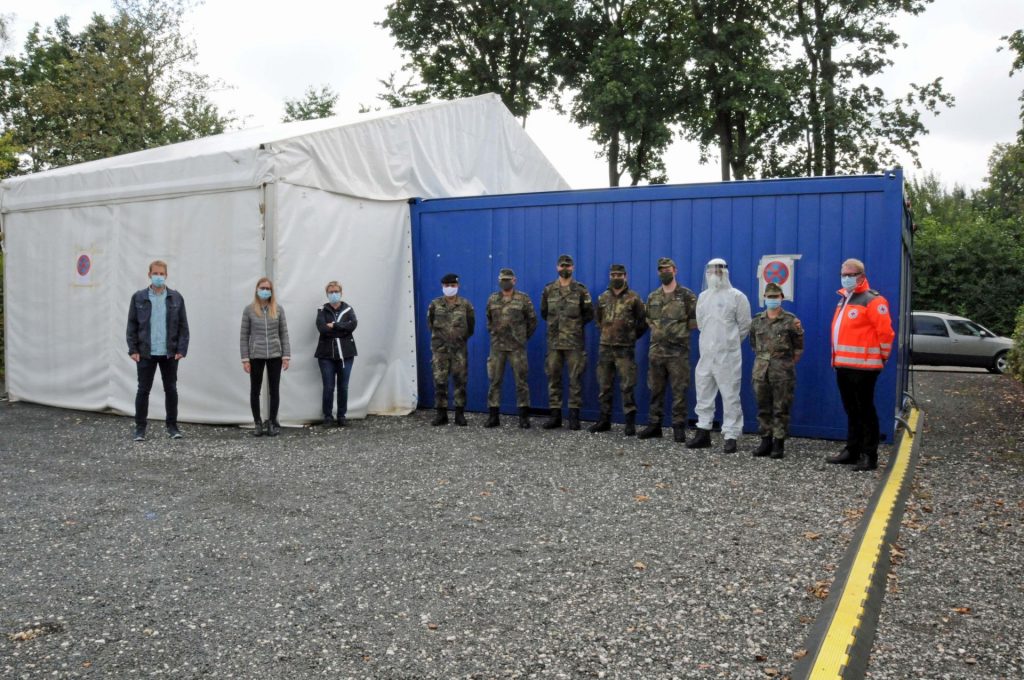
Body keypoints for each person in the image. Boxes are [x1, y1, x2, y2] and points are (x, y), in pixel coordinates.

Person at [827, 258, 895, 471]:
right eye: (843, 274)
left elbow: (886, 333)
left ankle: (869, 455)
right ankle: (852, 450)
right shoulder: (845, 299)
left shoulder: (873, 300)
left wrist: (882, 357)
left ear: (861, 276)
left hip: (865, 367)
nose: (846, 277)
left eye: (850, 274)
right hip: (844, 365)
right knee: (852, 410)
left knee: (865, 411)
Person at [688, 258, 751, 453]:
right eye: (711, 269)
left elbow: (744, 325)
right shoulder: (703, 297)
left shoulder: (737, 297)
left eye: (718, 269)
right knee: (704, 393)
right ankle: (703, 431)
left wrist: (729, 344)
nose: (714, 273)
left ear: (725, 272)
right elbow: (701, 324)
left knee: (730, 394)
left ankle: (731, 435)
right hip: (706, 354)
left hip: (728, 356)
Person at [126, 260, 189, 441]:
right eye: (156, 273)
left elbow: (184, 327)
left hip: (169, 353)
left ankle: (172, 427)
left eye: (162, 274)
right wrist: (133, 349)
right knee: (143, 390)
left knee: (171, 389)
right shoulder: (139, 297)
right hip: (146, 352)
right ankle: (140, 428)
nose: (159, 277)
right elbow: (132, 325)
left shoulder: (176, 298)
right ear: (149, 274)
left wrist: (181, 349)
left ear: (166, 275)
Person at [638, 257, 698, 441]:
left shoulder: (687, 296)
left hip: (678, 352)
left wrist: (676, 332)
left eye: (668, 269)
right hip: (657, 351)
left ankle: (678, 427)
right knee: (655, 389)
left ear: (675, 270)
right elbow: (648, 319)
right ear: (658, 272)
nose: (665, 272)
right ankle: (654, 425)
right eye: (661, 270)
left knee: (679, 391)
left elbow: (695, 322)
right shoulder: (653, 297)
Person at [589, 264, 648, 435]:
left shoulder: (634, 298)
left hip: (625, 349)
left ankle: (629, 422)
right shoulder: (602, 298)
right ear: (609, 276)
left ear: (625, 276)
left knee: (628, 385)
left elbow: (643, 322)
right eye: (613, 274)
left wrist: (630, 336)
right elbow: (598, 319)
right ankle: (604, 420)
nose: (616, 277)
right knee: (604, 385)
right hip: (605, 347)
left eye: (619, 275)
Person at [748, 282, 804, 459]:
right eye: (769, 297)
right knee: (763, 407)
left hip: (782, 372)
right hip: (761, 371)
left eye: (775, 297)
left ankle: (778, 443)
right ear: (764, 298)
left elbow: (798, 348)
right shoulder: (757, 320)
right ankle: (765, 440)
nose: (772, 300)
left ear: (781, 298)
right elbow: (753, 344)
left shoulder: (790, 320)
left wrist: (783, 363)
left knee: (781, 408)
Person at [540, 254, 594, 430]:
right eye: (562, 266)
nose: (565, 269)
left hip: (574, 342)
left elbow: (588, 314)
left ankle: (573, 417)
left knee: (575, 379)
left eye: (568, 266)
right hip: (554, 342)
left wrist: (574, 327)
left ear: (573, 268)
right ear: (557, 268)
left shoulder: (580, 290)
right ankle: (555, 416)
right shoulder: (549, 290)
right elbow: (544, 312)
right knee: (553, 378)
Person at [485, 268, 537, 429]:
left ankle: (523, 417)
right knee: (494, 381)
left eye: (508, 279)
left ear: (514, 281)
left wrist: (521, 337)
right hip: (497, 347)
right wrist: (495, 334)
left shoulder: (523, 299)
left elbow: (532, 321)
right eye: (502, 279)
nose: (505, 282)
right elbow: (489, 320)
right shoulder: (493, 299)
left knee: (521, 382)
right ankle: (493, 416)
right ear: (499, 281)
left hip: (517, 348)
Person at [240, 277, 291, 436]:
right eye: (262, 288)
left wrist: (286, 355)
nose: (265, 291)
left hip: (275, 355)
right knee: (255, 390)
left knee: (274, 390)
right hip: (256, 355)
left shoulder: (279, 309)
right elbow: (244, 336)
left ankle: (272, 422)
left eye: (268, 288)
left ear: (272, 291)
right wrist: (245, 359)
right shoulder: (249, 310)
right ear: (256, 289)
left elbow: (284, 334)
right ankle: (257, 423)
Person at [427, 272, 475, 426]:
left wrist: (459, 338)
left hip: (459, 350)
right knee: (439, 381)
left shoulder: (465, 305)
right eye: (447, 286)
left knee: (460, 382)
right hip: (440, 351)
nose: (450, 288)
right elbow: (430, 324)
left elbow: (471, 326)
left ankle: (459, 414)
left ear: (458, 286)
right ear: (442, 286)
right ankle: (441, 414)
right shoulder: (435, 305)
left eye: (453, 285)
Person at [315, 281, 358, 427]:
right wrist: (342, 329)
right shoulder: (322, 310)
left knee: (343, 386)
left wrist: (334, 325)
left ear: (341, 292)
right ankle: (327, 416)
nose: (334, 294)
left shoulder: (348, 309)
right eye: (331, 292)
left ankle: (341, 415)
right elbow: (322, 328)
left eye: (336, 291)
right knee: (328, 386)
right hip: (326, 355)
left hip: (346, 354)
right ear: (327, 294)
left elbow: (352, 325)